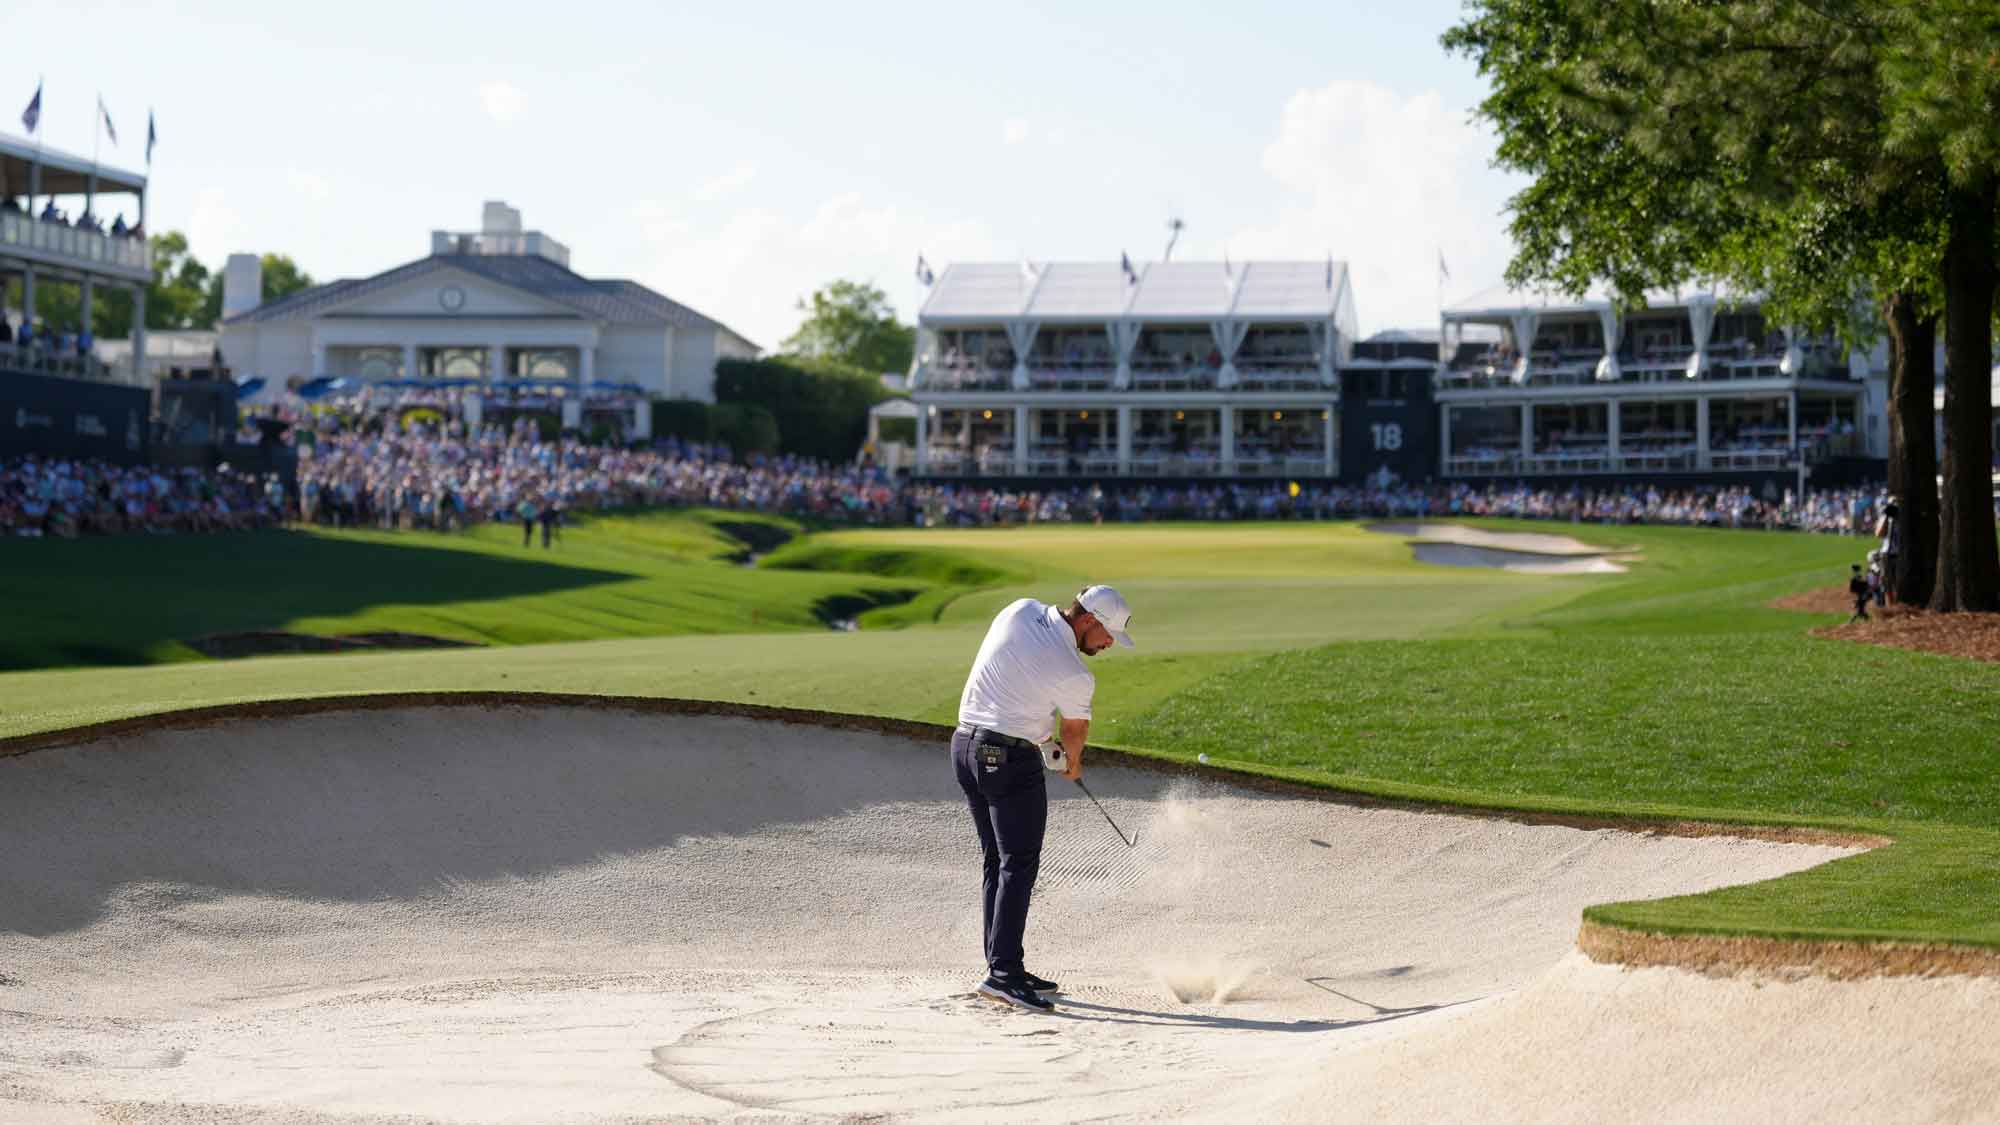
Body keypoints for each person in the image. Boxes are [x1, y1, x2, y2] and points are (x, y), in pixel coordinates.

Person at [952, 583, 1135, 1012]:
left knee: (997, 861)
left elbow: (1015, 682)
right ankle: (1003, 974)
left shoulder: (1018, 610)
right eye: (1108, 635)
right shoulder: (1075, 673)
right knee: (1018, 864)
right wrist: (1071, 764)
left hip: (964, 748)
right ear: (1088, 620)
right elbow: (1075, 734)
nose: (1109, 644)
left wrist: (1040, 735)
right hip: (1006, 760)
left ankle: (1002, 963)